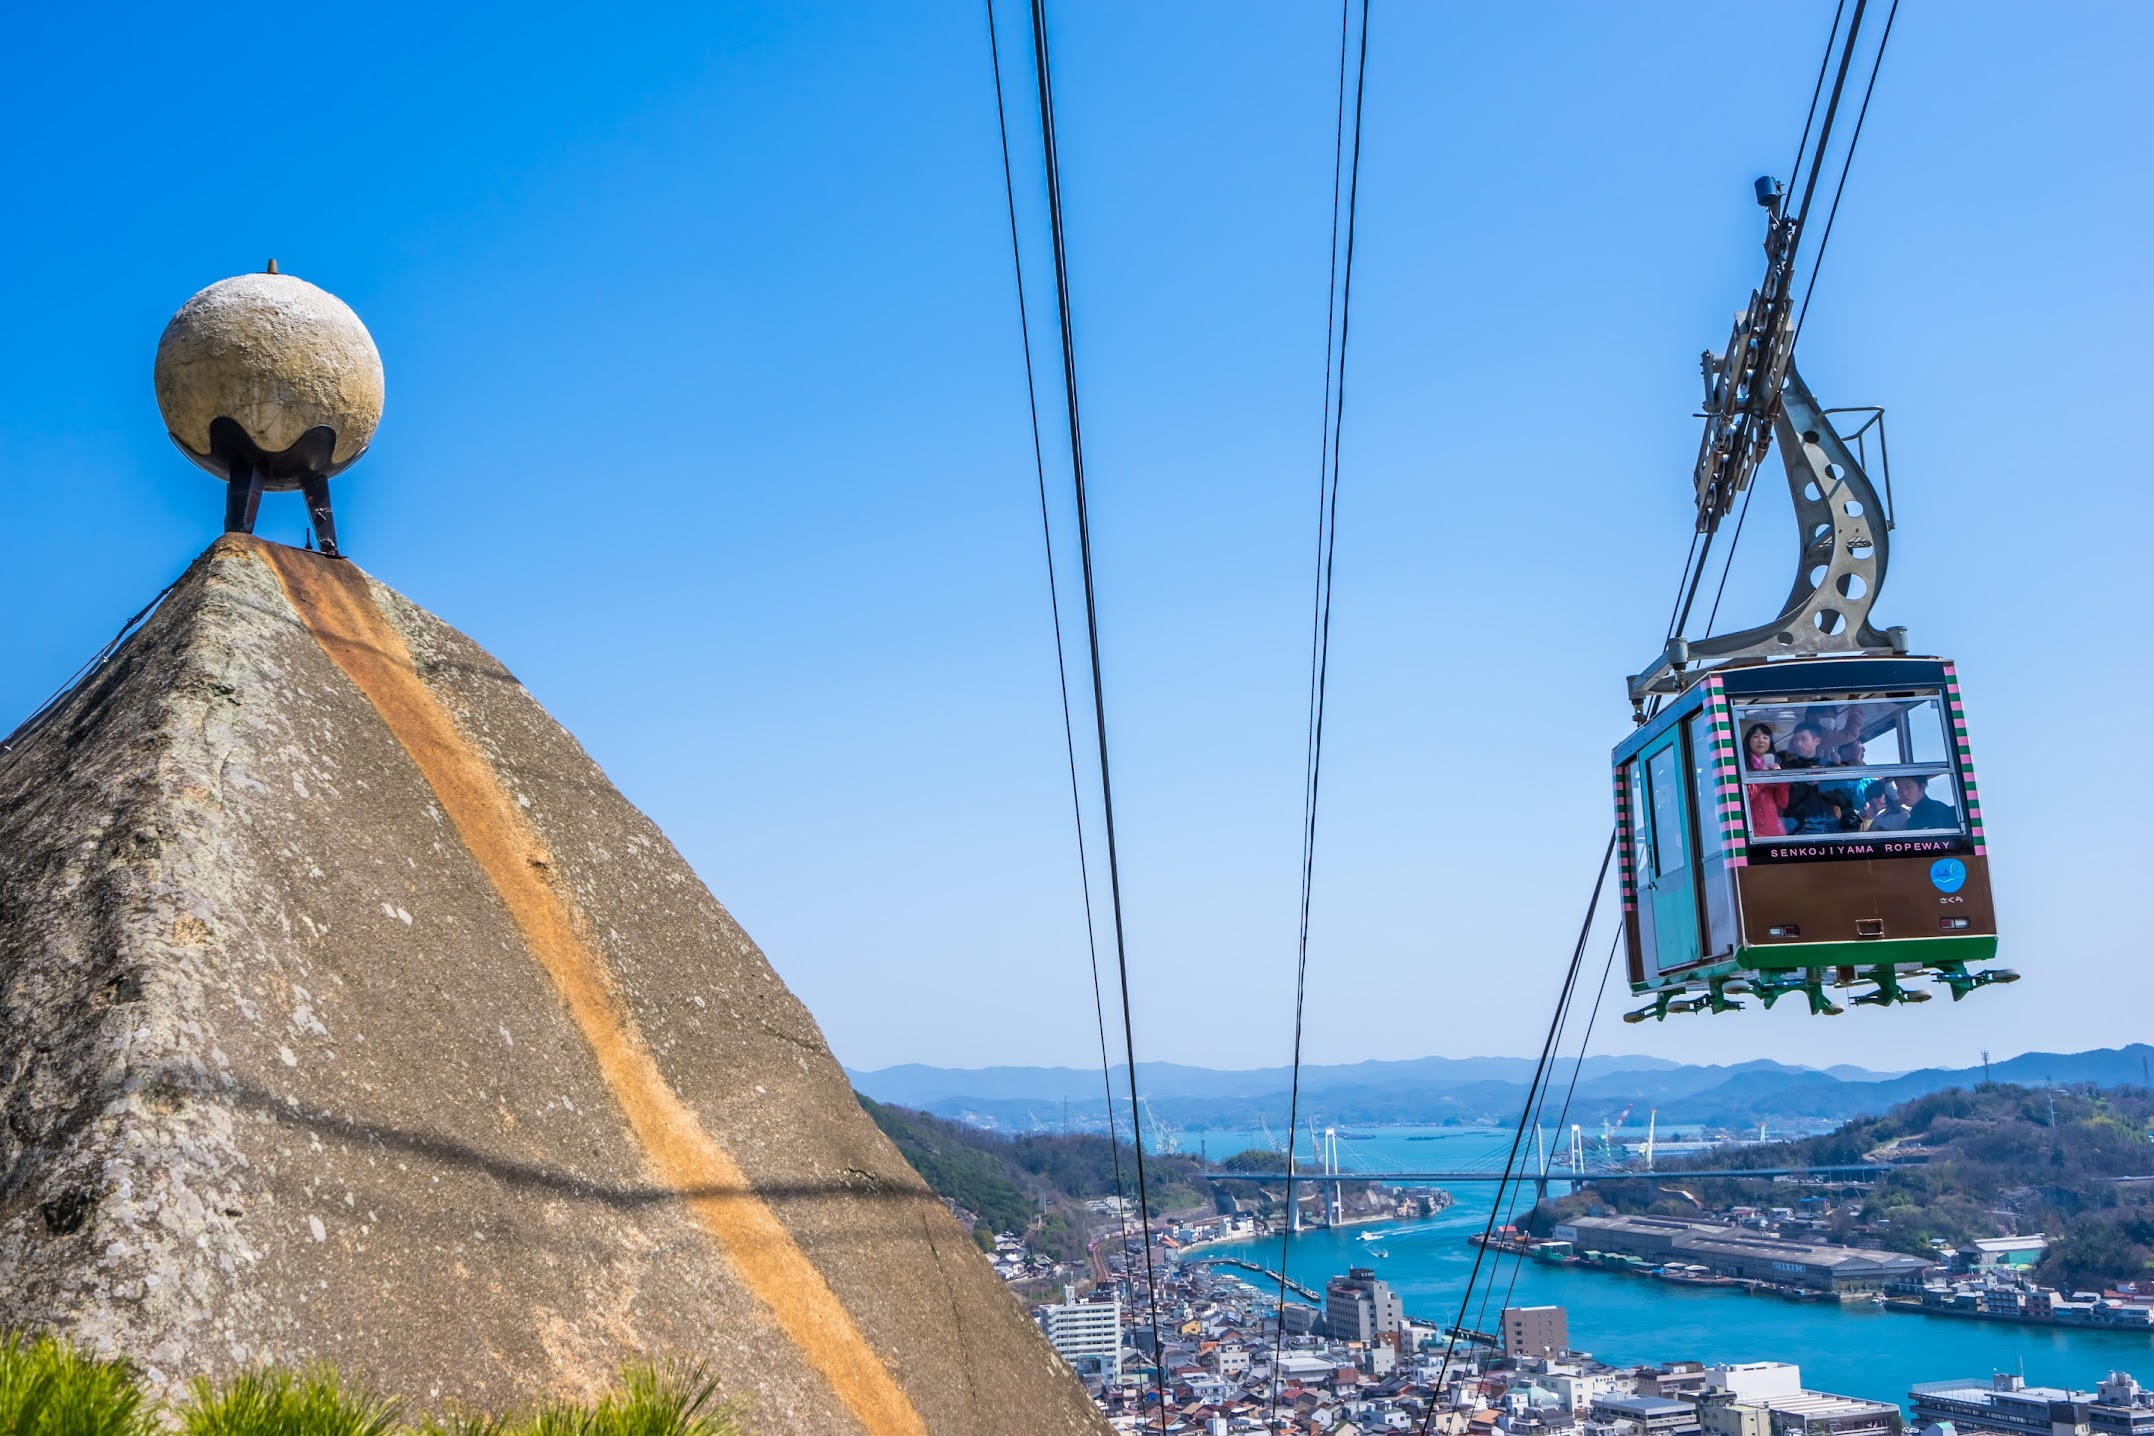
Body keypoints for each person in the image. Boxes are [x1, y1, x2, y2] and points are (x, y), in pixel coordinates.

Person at [1777, 722, 1853, 833]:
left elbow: (1845, 800)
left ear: (1816, 741)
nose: (1798, 743)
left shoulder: (1831, 768)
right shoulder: (1786, 768)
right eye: (1795, 739)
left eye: (1803, 739)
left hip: (1828, 829)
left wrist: (1822, 784)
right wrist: (1807, 783)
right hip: (1797, 829)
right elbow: (1786, 802)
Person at [1743, 722, 1790, 837]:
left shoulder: (1776, 764)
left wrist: (1780, 778)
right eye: (1755, 736)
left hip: (1774, 831)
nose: (1761, 740)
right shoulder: (1741, 765)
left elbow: (1783, 804)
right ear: (1748, 741)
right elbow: (1745, 797)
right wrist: (1763, 776)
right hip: (1752, 831)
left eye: (1765, 737)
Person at [1869, 775, 1957, 832]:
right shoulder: (1917, 812)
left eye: (1908, 787)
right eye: (1899, 788)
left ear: (1922, 787)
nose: (1904, 793)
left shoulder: (1933, 811)